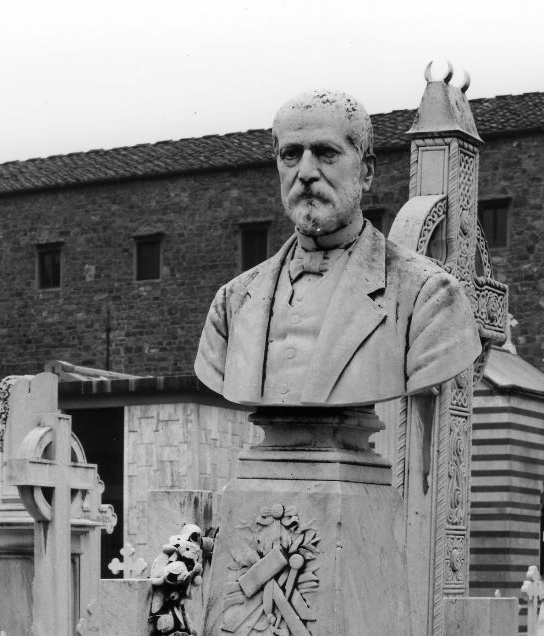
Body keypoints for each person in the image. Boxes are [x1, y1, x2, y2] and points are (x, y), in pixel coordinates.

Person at [195, 89, 480, 408]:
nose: (305, 173)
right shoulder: (230, 304)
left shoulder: (430, 297)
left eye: (325, 153)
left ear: (366, 171)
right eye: (291, 154)